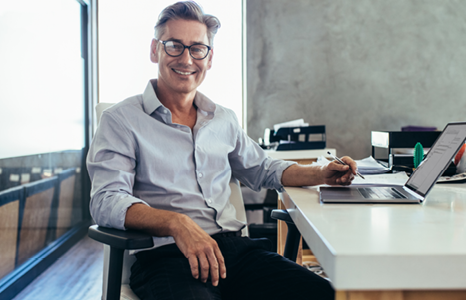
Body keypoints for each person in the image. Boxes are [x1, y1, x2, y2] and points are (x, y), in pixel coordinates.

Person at [87, 2, 357, 299]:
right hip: (168, 259)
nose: (186, 58)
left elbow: (263, 169)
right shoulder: (121, 120)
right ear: (155, 50)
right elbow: (106, 200)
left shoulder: (223, 118)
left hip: (238, 253)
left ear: (209, 57)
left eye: (197, 48)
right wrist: (177, 224)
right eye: (174, 45)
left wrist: (321, 173)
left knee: (326, 294)